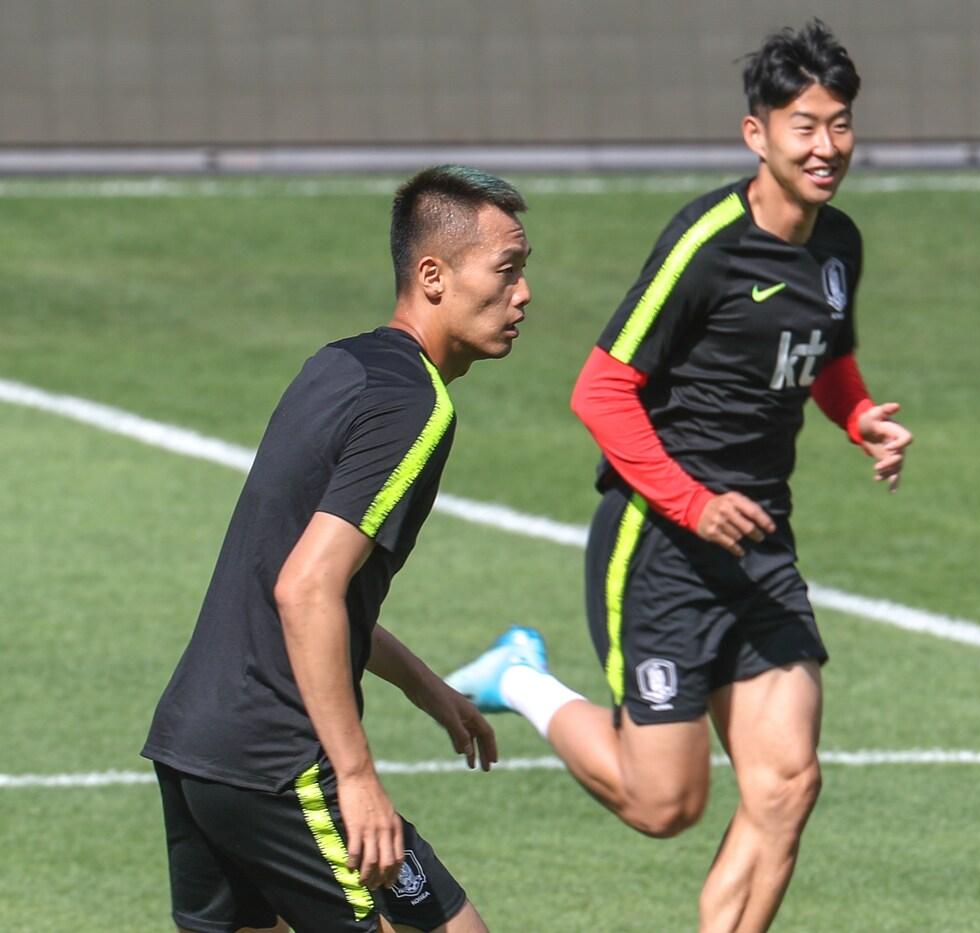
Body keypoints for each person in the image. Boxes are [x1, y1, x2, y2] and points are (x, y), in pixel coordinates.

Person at [449, 19, 911, 932]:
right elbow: (601, 387)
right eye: (805, 126)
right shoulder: (705, 241)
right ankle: (522, 676)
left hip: (760, 543)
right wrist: (692, 502)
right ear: (758, 134)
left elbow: (819, 355)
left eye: (841, 124)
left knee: (787, 782)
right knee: (666, 805)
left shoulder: (838, 247)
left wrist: (858, 417)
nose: (827, 147)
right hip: (659, 544)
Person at [142, 165, 533, 933]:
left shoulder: (341, 365)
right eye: (508, 270)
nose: (524, 295)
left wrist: (427, 687)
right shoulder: (415, 404)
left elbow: (302, 585)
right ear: (434, 275)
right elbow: (304, 590)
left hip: (195, 742)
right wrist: (357, 778)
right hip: (276, 757)